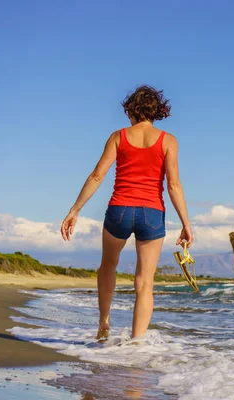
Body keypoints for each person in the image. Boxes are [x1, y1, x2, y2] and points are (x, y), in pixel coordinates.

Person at [60, 85, 194, 340]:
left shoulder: (118, 137)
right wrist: (186, 223)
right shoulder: (168, 140)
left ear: (132, 109)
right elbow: (174, 185)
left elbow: (97, 175)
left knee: (108, 266)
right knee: (144, 282)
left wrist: (74, 210)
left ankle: (103, 323)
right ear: (156, 111)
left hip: (119, 210)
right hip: (152, 214)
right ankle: (136, 344)